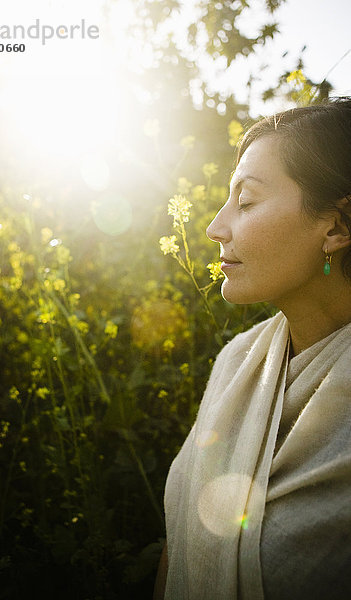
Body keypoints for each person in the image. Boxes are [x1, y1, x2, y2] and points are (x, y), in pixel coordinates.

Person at [154, 98, 351, 600]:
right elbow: (174, 553)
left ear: (336, 227)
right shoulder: (236, 363)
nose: (214, 228)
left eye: (245, 202)